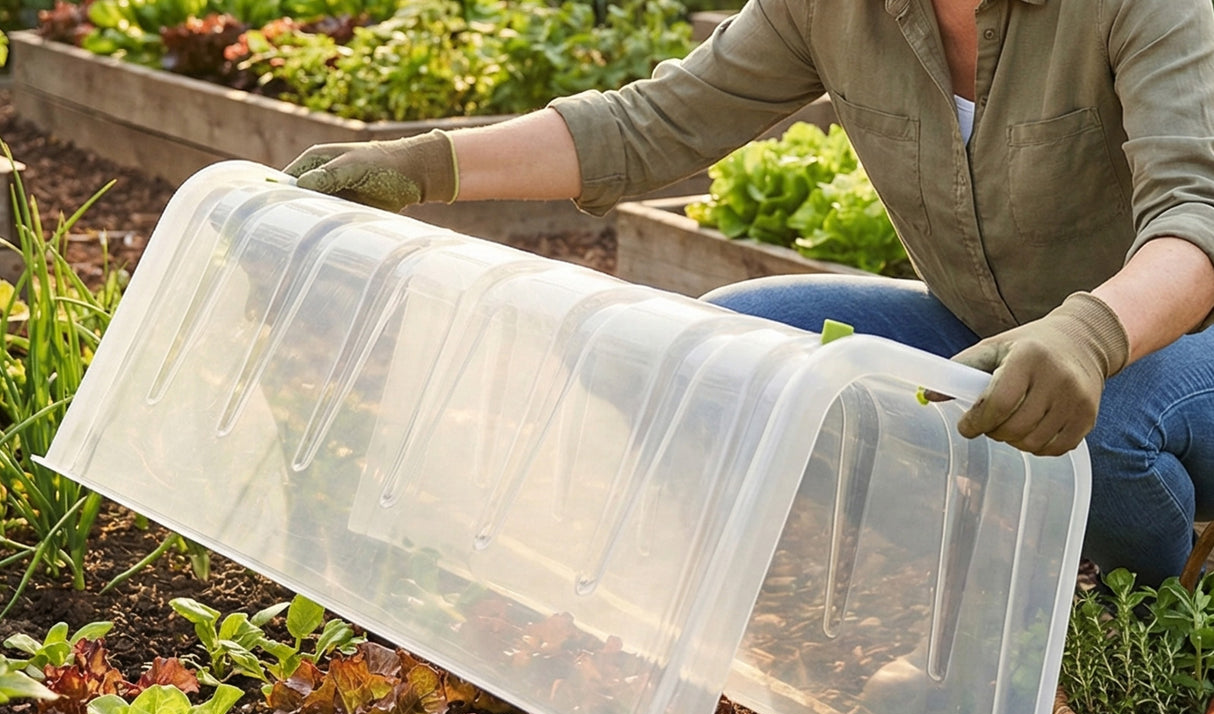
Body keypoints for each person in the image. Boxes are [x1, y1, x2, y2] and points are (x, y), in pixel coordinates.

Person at [284, 0, 1214, 587]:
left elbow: (1197, 211)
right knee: (715, 358)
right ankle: (981, 580)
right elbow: (653, 124)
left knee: (1099, 432)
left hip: (1175, 340)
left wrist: (1092, 334)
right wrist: (425, 165)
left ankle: (1156, 607)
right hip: (986, 329)